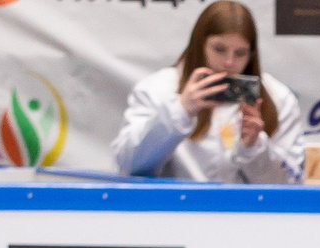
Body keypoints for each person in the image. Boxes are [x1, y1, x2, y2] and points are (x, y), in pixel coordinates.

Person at [112, 2, 303, 185]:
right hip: (173, 206)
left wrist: (254, 147)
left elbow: (292, 184)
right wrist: (179, 111)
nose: (229, 62)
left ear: (252, 54)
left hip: (246, 207)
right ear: (199, 45)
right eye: (219, 49)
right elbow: (128, 165)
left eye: (240, 53)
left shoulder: (278, 98)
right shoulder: (158, 89)